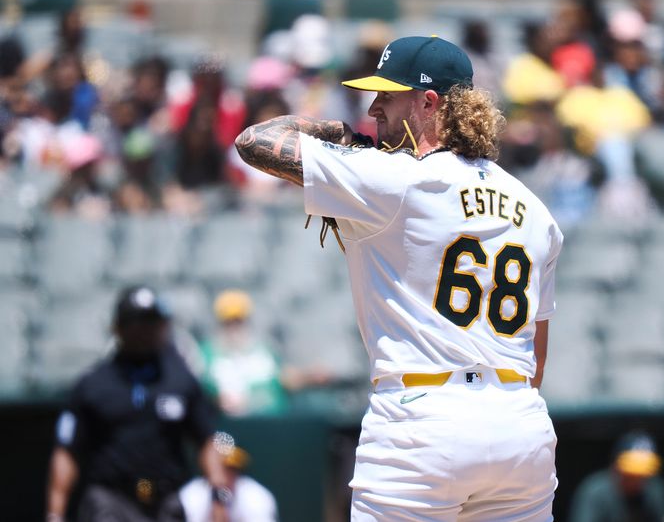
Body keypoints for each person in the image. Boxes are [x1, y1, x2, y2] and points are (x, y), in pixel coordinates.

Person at [236, 35, 563, 521]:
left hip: (423, 420)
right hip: (519, 423)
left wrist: (340, 134)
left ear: (428, 103)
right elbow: (536, 346)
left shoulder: (393, 179)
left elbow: (254, 141)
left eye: (387, 95)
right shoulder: (534, 209)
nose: (374, 108)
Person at [45, 285, 231, 522]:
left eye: (154, 322)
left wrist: (219, 497)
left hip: (165, 499)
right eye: (139, 322)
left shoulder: (181, 380)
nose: (148, 330)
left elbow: (208, 441)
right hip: (112, 500)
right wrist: (55, 513)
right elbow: (67, 451)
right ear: (118, 328)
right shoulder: (93, 385)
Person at [569, 431, 664, 522]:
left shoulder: (656, 490)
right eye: (631, 473)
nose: (636, 479)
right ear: (615, 467)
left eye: (642, 474)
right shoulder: (595, 491)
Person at [180, 432, 279, 522]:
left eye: (233, 468)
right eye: (223, 468)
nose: (227, 475)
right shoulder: (192, 496)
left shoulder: (256, 497)